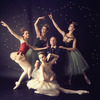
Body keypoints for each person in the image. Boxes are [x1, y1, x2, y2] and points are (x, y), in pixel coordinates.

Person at [1, 21, 48, 89]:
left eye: (28, 33)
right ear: (23, 35)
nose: (28, 34)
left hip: (22, 58)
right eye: (26, 33)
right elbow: (12, 33)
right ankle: (30, 79)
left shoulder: (28, 44)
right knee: (29, 67)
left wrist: (44, 48)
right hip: (19, 56)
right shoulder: (21, 39)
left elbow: (35, 49)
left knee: (25, 71)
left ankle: (18, 83)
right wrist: (7, 26)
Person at [48, 13, 91, 85]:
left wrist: (64, 47)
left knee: (78, 65)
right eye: (69, 25)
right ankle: (69, 80)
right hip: (66, 53)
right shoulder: (64, 34)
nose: (69, 26)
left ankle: (85, 77)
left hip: (73, 53)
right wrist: (52, 19)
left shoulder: (74, 38)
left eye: (71, 26)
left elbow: (73, 48)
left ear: (73, 29)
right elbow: (57, 27)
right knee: (70, 66)